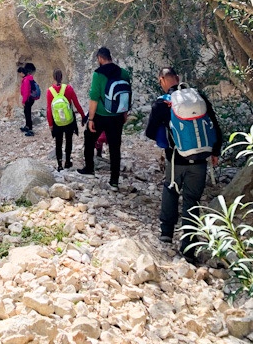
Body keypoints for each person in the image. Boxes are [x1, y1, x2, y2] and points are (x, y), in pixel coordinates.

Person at [145, 67, 222, 262]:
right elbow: (213, 123)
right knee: (192, 199)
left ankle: (166, 233)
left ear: (162, 80)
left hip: (176, 159)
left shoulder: (162, 103)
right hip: (200, 160)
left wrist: (165, 137)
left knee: (171, 190)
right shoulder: (198, 97)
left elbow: (150, 132)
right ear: (178, 78)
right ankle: (189, 244)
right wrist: (215, 151)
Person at [78, 47, 131, 189]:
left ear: (100, 58)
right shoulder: (123, 73)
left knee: (89, 139)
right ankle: (114, 180)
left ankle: (89, 168)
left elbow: (94, 97)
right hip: (117, 116)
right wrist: (125, 114)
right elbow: (126, 95)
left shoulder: (98, 74)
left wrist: (90, 119)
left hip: (101, 116)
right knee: (115, 148)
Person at [46, 69, 85, 171]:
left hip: (57, 121)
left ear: (53, 78)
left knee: (58, 142)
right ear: (62, 77)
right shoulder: (68, 88)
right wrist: (83, 116)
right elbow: (76, 104)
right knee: (69, 140)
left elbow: (49, 109)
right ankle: (67, 161)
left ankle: (59, 164)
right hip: (69, 120)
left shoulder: (50, 91)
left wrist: (50, 124)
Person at [19, 62, 37, 137]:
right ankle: (27, 126)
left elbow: (26, 92)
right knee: (26, 112)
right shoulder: (29, 78)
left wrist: (24, 101)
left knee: (28, 113)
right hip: (30, 99)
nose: (20, 75)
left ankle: (30, 129)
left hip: (28, 99)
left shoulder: (26, 80)